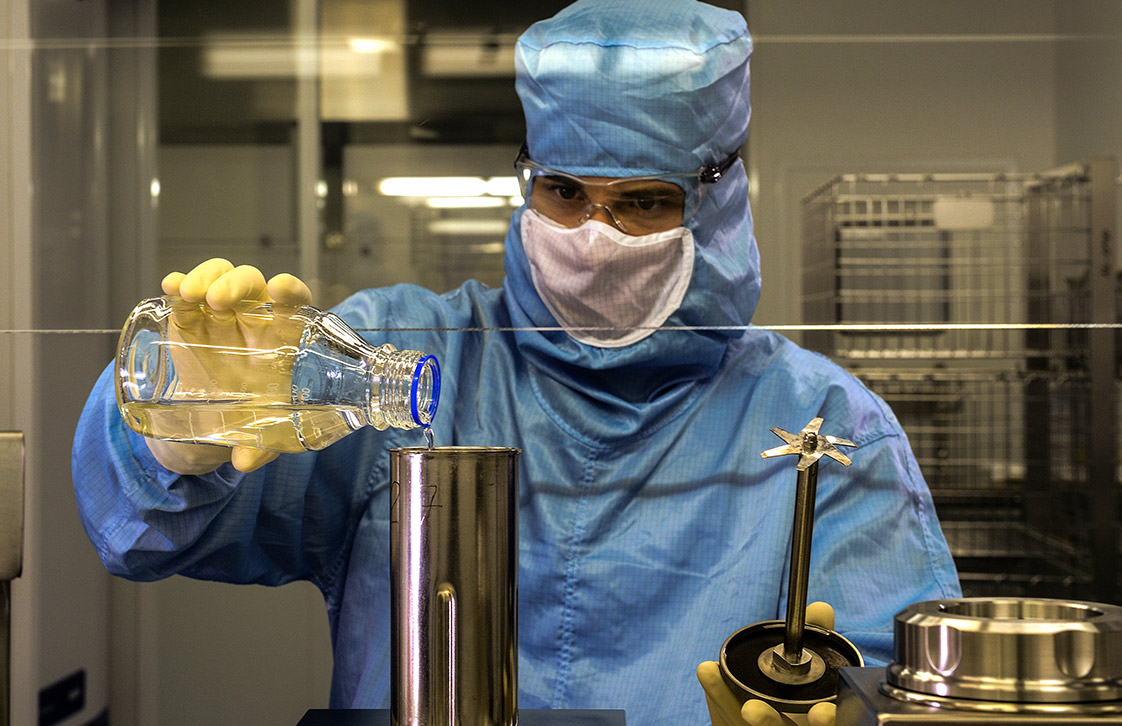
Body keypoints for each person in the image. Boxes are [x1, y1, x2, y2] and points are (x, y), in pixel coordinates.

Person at [71, 1, 960, 724]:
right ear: (525, 178)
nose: (595, 237)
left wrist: (847, 712)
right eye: (564, 192)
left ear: (718, 203)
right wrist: (173, 432)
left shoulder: (825, 425)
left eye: (644, 203)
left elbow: (900, 679)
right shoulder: (405, 356)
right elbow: (141, 537)